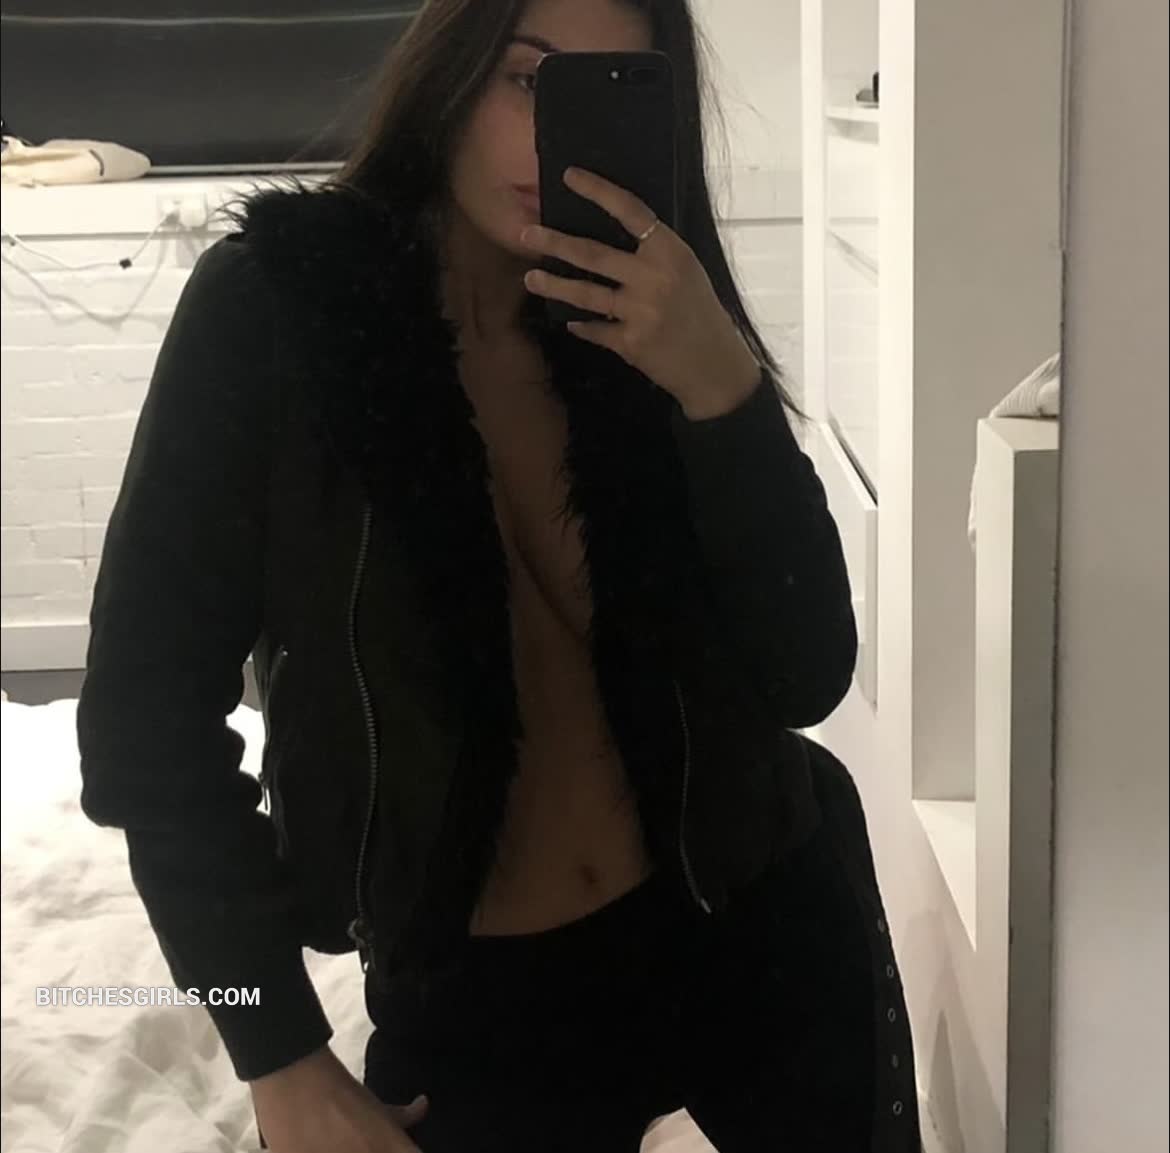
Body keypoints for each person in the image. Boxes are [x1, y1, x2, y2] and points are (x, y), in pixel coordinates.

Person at [77, 0, 921, 1149]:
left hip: (758, 912)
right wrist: (275, 1053)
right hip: (480, 995)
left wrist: (726, 392)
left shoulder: (652, 311)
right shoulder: (279, 313)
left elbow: (807, 672)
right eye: (529, 80)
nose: (549, 142)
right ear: (451, 73)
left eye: (612, 93)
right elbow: (144, 726)